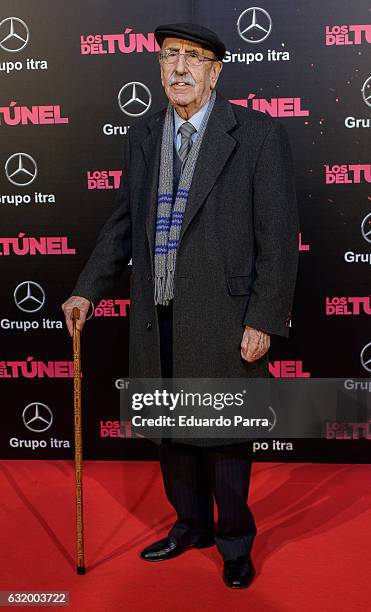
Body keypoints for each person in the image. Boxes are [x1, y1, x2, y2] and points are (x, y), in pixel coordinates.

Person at [62, 22, 298, 589]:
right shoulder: (144, 136)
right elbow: (123, 224)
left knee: (222, 440)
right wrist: (87, 289)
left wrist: (263, 318)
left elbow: (280, 235)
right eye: (171, 57)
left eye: (194, 58)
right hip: (157, 313)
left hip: (224, 318)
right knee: (170, 431)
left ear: (216, 71)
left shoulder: (258, 135)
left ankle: (235, 542)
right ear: (159, 67)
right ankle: (189, 524)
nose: (180, 68)